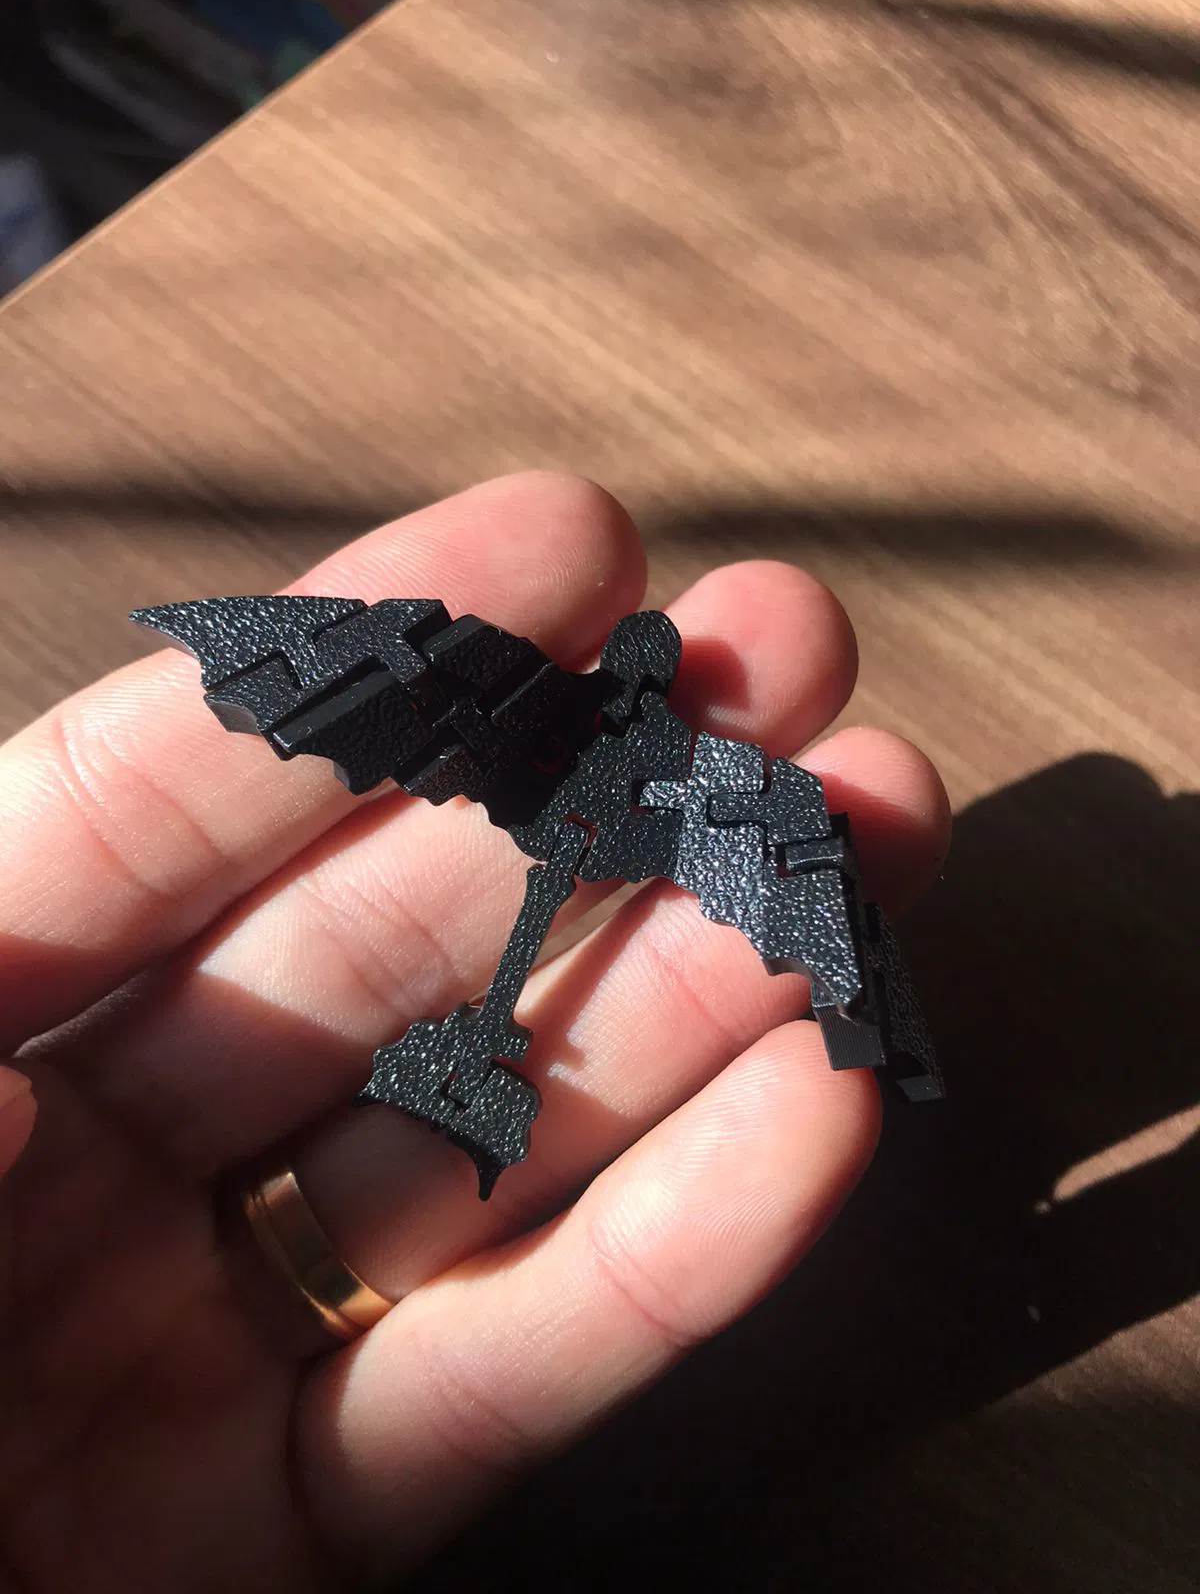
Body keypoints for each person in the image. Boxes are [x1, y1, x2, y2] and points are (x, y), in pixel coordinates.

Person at [0, 473, 950, 1590]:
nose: (636, 689)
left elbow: (766, 832)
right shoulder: (522, 695)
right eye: (631, 673)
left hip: (594, 831)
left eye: (647, 678)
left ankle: (512, 1042)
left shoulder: (691, 773)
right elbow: (415, 672)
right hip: (553, 815)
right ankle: (483, 1042)